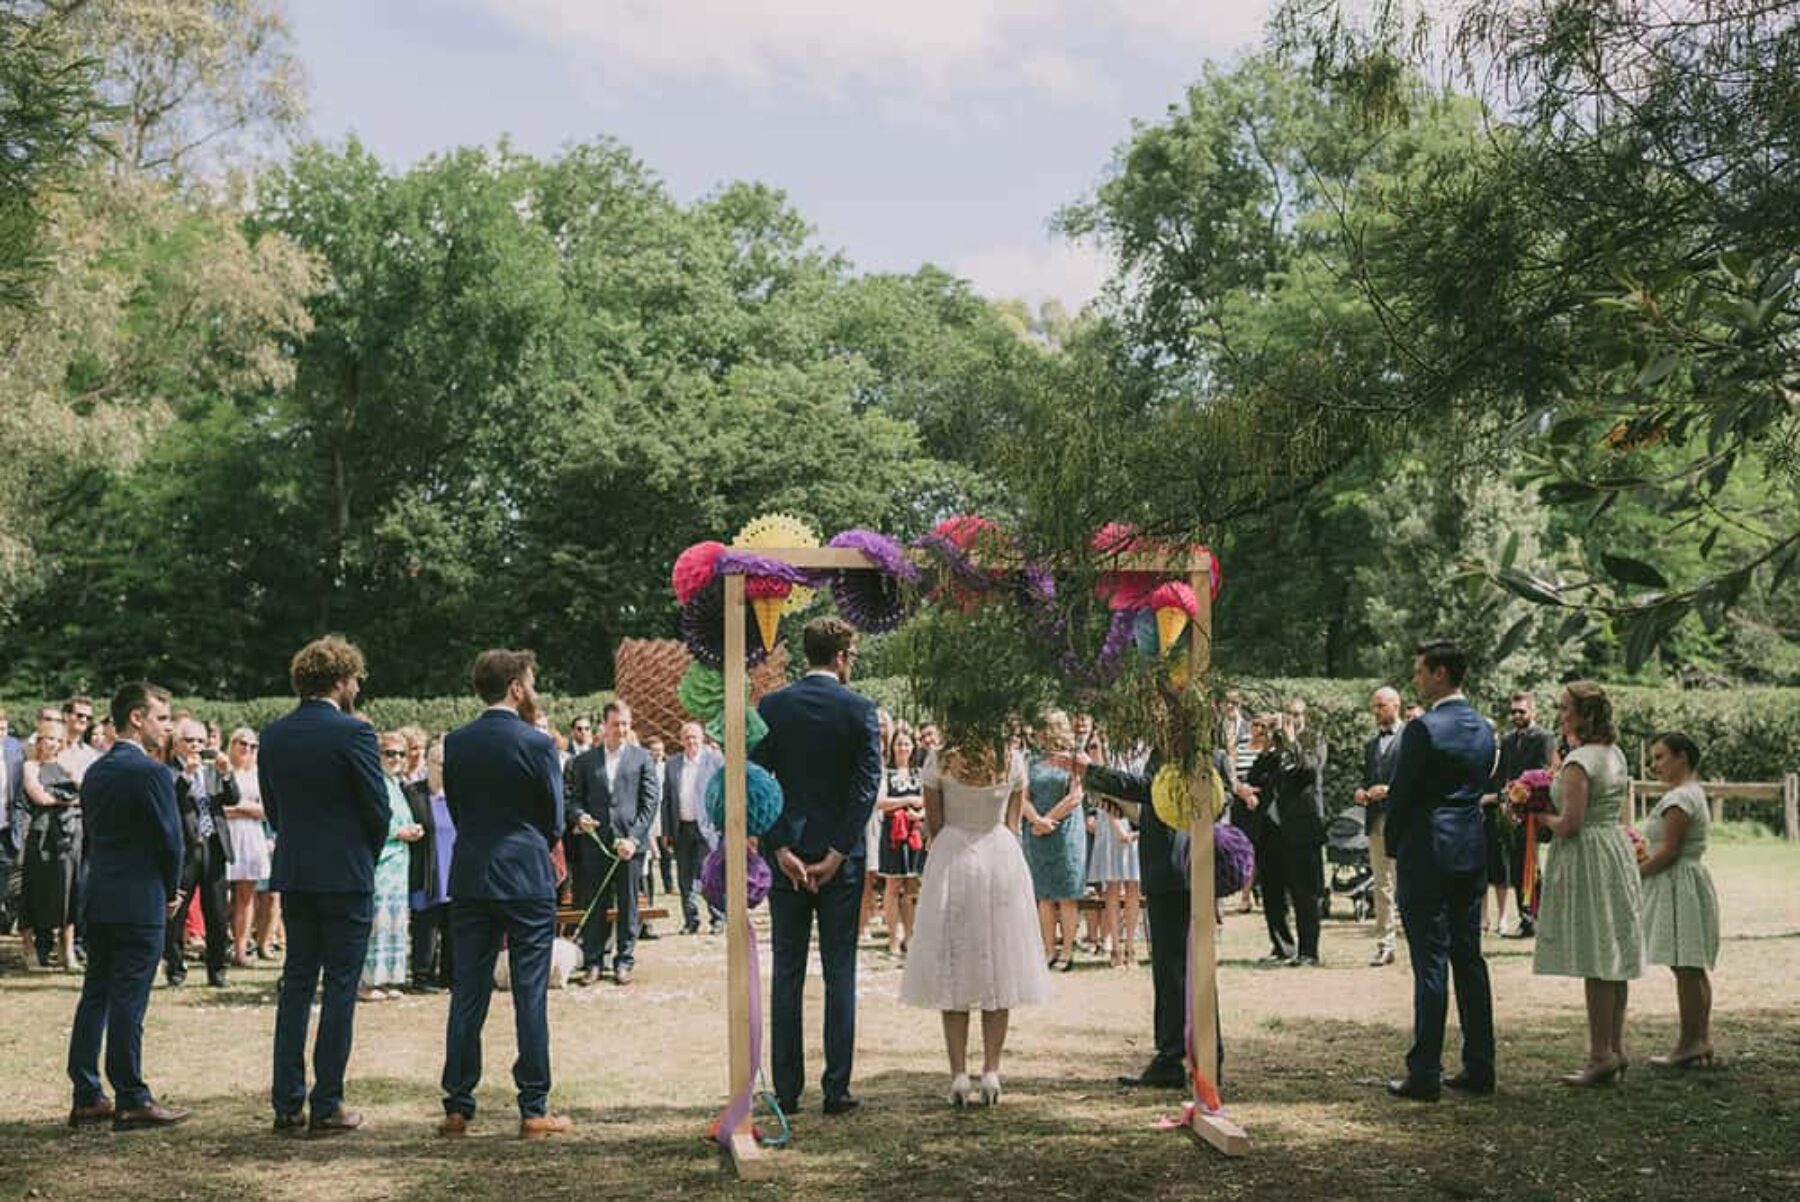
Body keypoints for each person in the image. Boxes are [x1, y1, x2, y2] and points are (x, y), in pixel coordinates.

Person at [259, 635, 391, 1137]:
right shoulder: (353, 733)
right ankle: (327, 1101)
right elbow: (376, 808)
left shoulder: (273, 736)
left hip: (296, 871)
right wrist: (365, 854)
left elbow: (274, 810)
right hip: (346, 874)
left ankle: (287, 1103)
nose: (358, 686)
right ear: (340, 680)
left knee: (295, 986)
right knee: (340, 988)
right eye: (356, 678)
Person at [439, 648, 572, 1140]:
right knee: (529, 991)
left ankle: (457, 1104)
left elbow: (456, 808)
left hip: (473, 872)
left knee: (467, 992)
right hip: (525, 874)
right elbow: (554, 819)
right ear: (516, 687)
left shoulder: (456, 742)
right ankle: (533, 1107)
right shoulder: (538, 744)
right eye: (530, 681)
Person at [753, 616, 883, 1116]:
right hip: (840, 860)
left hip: (787, 853)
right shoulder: (859, 709)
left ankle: (787, 1089)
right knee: (839, 971)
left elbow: (758, 779)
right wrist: (836, 849)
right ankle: (836, 1088)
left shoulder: (773, 706)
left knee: (787, 971)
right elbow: (865, 786)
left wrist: (780, 845)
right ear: (843, 656)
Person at [900, 735, 1051, 1106]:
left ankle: (958, 1075)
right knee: (999, 964)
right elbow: (1013, 823)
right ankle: (992, 1071)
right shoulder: (1012, 759)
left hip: (952, 857)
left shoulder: (939, 760)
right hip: (1000, 856)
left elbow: (934, 824)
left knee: (954, 964)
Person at [65, 682, 189, 1130]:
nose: (168, 727)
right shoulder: (151, 773)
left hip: (99, 894)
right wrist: (172, 888)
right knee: (129, 1000)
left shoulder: (96, 771)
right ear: (136, 718)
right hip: (139, 898)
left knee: (95, 994)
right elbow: (171, 840)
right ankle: (132, 1096)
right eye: (161, 718)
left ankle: (86, 1093)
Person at [1383, 641, 1497, 1102]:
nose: (1416, 679)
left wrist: (1394, 846)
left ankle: (1425, 1070)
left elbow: (1403, 794)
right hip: (1469, 848)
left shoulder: (1423, 729)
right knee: (1469, 959)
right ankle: (1480, 1065)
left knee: (1430, 962)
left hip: (1428, 851)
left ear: (1441, 673)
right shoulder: (1485, 729)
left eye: (1421, 671)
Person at [1532, 681, 1643, 1086]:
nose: (1560, 715)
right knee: (1612, 954)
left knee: (1597, 957)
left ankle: (1600, 1055)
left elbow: (1569, 824)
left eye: (1565, 708)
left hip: (1588, 856)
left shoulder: (1579, 761)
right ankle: (1615, 1047)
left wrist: (1538, 816)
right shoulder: (1615, 754)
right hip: (1613, 847)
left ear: (1584, 715)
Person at [1639, 731, 1719, 1069]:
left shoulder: (1680, 799)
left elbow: (1670, 852)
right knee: (1689, 966)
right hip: (1685, 880)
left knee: (1686, 965)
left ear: (1682, 756)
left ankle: (1691, 1042)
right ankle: (1697, 1040)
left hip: (1679, 884)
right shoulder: (1688, 794)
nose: (1654, 765)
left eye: (1660, 757)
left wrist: (1635, 872)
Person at [565, 700, 658, 986]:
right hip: (595, 844)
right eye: (616, 724)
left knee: (629, 905)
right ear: (604, 726)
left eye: (626, 724)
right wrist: (579, 817)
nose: (622, 729)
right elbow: (572, 799)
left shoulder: (642, 758)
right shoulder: (584, 762)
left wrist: (633, 838)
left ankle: (624, 960)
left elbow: (650, 802)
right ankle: (594, 961)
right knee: (595, 904)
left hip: (630, 845)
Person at [1246, 701, 1327, 966]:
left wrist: (1292, 742)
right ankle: (1282, 946)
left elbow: (1309, 770)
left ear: (1305, 717)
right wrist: (1268, 744)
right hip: (1271, 831)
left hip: (1302, 830)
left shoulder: (1313, 740)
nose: (1291, 720)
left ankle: (1308, 951)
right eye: (1287, 715)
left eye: (1296, 715)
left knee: (1305, 893)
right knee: (1272, 892)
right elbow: (1256, 778)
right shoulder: (1275, 748)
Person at [163, 717, 234, 988]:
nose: (196, 746)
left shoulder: (212, 770)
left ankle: (217, 970)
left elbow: (233, 798)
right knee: (177, 913)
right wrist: (186, 776)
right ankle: (176, 969)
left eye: (201, 741)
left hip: (213, 846)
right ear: (177, 744)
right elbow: (170, 799)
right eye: (190, 740)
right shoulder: (170, 771)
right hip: (185, 849)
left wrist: (227, 774)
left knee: (216, 913)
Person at [1488, 691, 1557, 938]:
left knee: (1533, 866)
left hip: (1537, 811)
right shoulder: (1507, 741)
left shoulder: (1544, 737)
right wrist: (1501, 797)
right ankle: (1526, 918)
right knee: (1517, 866)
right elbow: (1500, 774)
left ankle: (1542, 917)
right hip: (1512, 811)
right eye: (1514, 711)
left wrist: (1519, 791)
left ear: (1533, 712)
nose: (1517, 716)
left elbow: (1544, 772)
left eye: (1522, 711)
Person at [1022, 710, 1086, 970]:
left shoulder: (1074, 759)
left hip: (1066, 832)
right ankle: (1048, 950)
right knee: (1044, 894)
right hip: (1036, 831)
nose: (1037, 734)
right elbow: (1022, 795)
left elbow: (1075, 797)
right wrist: (1036, 820)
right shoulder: (1032, 761)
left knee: (1067, 894)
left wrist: (1048, 820)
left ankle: (1067, 951)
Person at [362, 731, 424, 1000]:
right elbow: (370, 820)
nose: (396, 759)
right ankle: (366, 982)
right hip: (382, 864)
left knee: (395, 923)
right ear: (378, 755)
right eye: (390, 753)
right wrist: (399, 832)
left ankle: (388, 979)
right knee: (376, 923)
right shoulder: (375, 783)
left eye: (401, 753)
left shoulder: (396, 785)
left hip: (399, 867)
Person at [21, 715, 82, 971]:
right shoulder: (30, 765)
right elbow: (39, 796)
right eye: (49, 739)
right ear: (40, 740)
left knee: (69, 888)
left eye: (59, 739)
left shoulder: (66, 765)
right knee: (35, 888)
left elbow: (81, 789)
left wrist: (65, 794)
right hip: (42, 832)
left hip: (68, 832)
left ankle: (67, 951)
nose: (54, 744)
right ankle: (29, 948)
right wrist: (65, 798)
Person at [1355, 687, 1404, 968]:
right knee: (1381, 884)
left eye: (1381, 706)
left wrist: (1389, 790)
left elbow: (1416, 778)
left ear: (1396, 705)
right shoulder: (1370, 745)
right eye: (1374, 706)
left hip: (1402, 819)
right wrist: (1362, 792)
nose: (1376, 711)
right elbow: (1365, 777)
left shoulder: (1410, 738)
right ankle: (1386, 944)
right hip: (1375, 821)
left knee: (1405, 881)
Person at [661, 721, 722, 935]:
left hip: (707, 828)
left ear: (702, 738)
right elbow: (667, 800)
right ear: (681, 740)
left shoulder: (714, 761)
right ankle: (691, 920)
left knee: (709, 875)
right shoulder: (673, 764)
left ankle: (718, 918)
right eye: (686, 737)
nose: (691, 741)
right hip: (682, 829)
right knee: (685, 877)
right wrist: (667, 831)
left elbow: (723, 794)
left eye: (694, 737)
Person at [405, 739, 456, 992]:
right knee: (426, 926)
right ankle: (422, 976)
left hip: (455, 872)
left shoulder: (460, 794)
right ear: (428, 763)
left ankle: (450, 975)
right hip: (426, 870)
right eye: (440, 763)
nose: (445, 768)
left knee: (453, 928)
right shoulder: (413, 794)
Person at [222, 728, 271, 969]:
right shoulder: (222, 771)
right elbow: (215, 808)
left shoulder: (259, 774)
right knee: (220, 895)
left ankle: (241, 949)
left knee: (246, 895)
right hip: (225, 835)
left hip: (251, 837)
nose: (247, 749)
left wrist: (238, 808)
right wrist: (245, 808)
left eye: (253, 746)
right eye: (243, 743)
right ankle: (219, 944)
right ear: (232, 744)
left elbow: (266, 810)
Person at [878, 725, 925, 958]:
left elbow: (929, 801)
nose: (903, 748)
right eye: (899, 744)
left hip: (914, 833)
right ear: (892, 747)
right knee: (892, 885)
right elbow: (880, 802)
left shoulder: (919, 774)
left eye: (906, 743)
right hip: (893, 834)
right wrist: (907, 800)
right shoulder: (886, 773)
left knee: (912, 885)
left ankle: (910, 935)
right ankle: (892, 937)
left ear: (913, 746)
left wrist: (920, 814)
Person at [1088, 793, 1141, 968]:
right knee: (1113, 887)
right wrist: (1119, 829)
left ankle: (1130, 947)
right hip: (1111, 827)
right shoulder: (1107, 764)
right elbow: (1105, 794)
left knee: (1133, 886)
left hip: (1135, 822)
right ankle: (1115, 948)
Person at [57, 695, 100, 784]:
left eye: (89, 718)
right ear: (66, 716)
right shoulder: (50, 746)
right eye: (79, 715)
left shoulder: (92, 755)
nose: (84, 720)